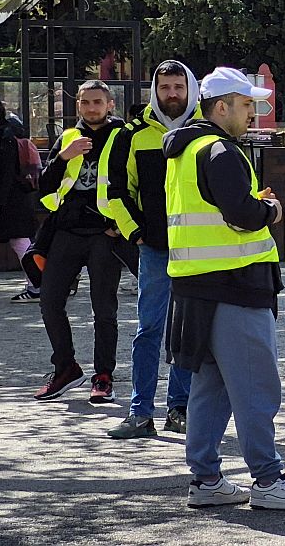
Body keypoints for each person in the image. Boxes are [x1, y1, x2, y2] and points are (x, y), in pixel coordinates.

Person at [163, 66, 285, 511]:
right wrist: (269, 209)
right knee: (255, 388)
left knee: (210, 385)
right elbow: (242, 216)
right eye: (247, 105)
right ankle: (268, 480)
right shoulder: (220, 150)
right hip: (236, 285)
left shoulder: (184, 149)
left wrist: (253, 205)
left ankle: (206, 479)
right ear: (221, 106)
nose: (252, 113)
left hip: (196, 287)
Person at [105, 60, 201, 439]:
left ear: (190, 89)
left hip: (198, 249)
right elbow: (115, 191)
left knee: (186, 333)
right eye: (166, 87)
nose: (172, 94)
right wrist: (136, 234)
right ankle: (139, 411)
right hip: (156, 250)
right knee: (149, 330)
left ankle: (179, 409)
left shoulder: (204, 132)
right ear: (155, 90)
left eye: (179, 86)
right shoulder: (132, 134)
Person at [33, 81, 127, 403]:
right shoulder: (69, 137)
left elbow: (134, 184)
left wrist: (120, 224)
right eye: (85, 102)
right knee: (49, 301)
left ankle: (103, 376)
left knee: (103, 309)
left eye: (97, 102)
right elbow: (45, 186)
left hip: (104, 234)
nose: (91, 108)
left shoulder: (122, 135)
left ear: (110, 104)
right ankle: (66, 368)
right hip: (67, 231)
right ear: (78, 106)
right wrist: (63, 157)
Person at [0, 101, 40, 302]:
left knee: (20, 242)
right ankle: (37, 284)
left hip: (8, 199)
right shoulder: (11, 133)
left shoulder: (4, 139)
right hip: (19, 198)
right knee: (21, 241)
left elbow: (4, 173)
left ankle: (37, 284)